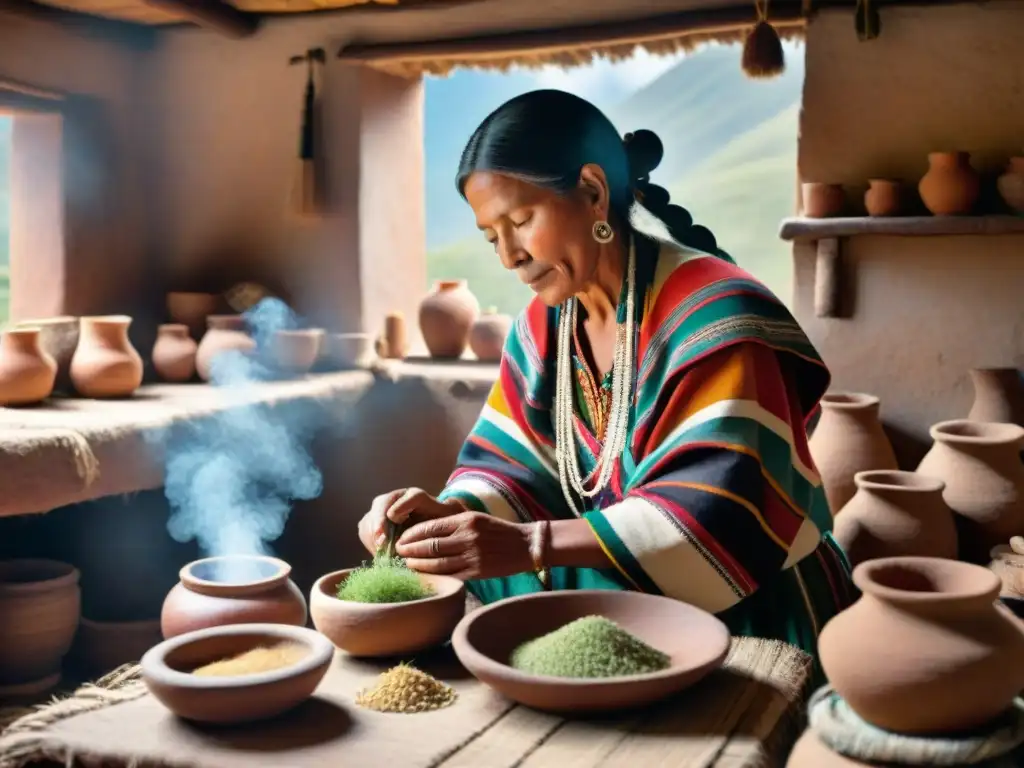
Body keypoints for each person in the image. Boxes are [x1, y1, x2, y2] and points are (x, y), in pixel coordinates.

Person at [358, 89, 856, 667]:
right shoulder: (544, 325)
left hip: (750, 609)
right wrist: (447, 519)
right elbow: (508, 467)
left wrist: (527, 544)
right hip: (625, 594)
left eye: (521, 220)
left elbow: (717, 516)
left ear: (593, 193)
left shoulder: (718, 316)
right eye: (492, 236)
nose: (509, 257)